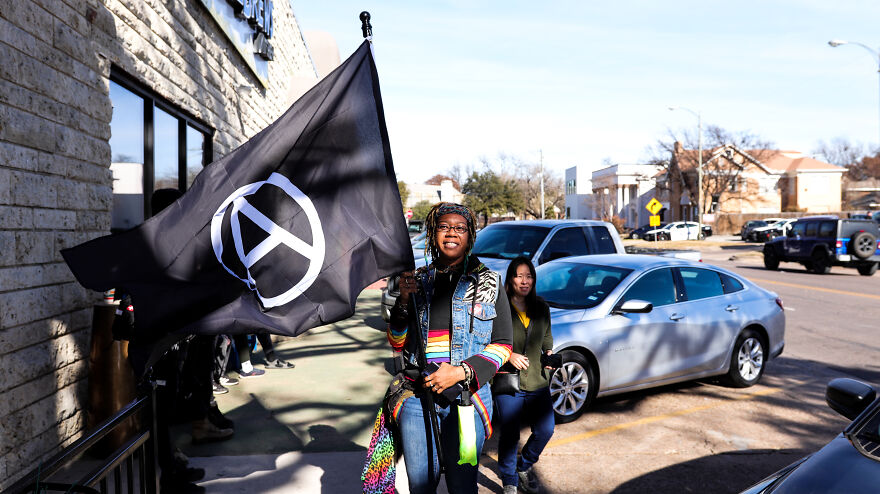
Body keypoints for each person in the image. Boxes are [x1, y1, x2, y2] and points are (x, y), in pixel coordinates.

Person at [388, 202, 513, 494]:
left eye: (460, 228)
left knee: (462, 487)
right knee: (421, 486)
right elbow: (396, 342)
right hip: (418, 399)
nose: (451, 233)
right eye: (444, 227)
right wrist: (403, 303)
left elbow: (504, 345)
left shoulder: (490, 282)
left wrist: (461, 372)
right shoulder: (418, 281)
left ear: (470, 235)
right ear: (433, 233)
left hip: (467, 403)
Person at [495, 256, 555, 494]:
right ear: (510, 279)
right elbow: (489, 341)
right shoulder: (500, 308)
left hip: (538, 379)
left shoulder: (541, 306)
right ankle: (509, 479)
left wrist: (549, 353)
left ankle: (524, 466)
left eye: (529, 276)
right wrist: (509, 355)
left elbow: (547, 336)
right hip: (509, 381)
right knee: (510, 434)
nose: (524, 280)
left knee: (545, 430)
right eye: (519, 275)